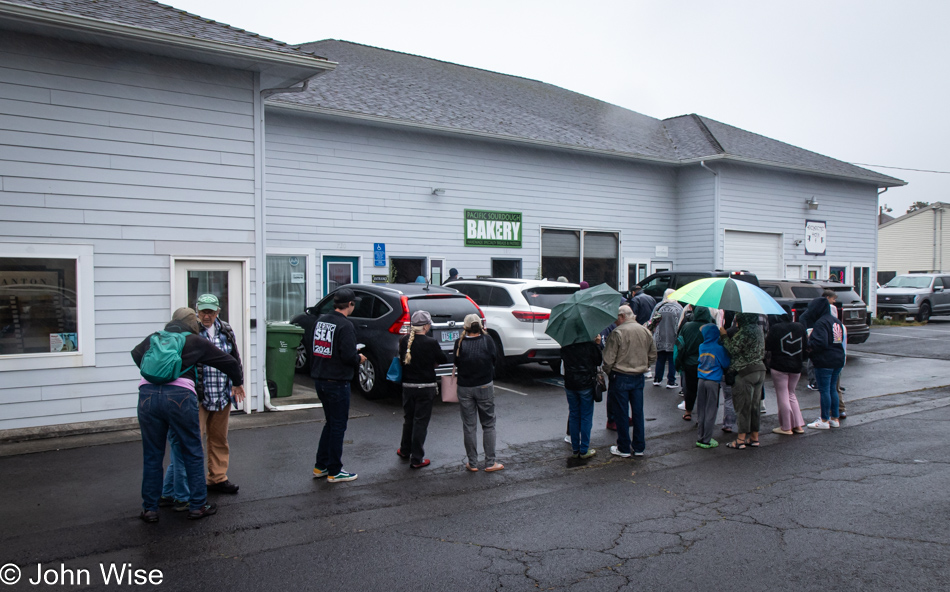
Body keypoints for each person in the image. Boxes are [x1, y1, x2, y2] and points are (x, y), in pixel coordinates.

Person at [131, 307, 244, 522]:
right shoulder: (194, 341)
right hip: (180, 396)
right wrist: (237, 382)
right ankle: (197, 506)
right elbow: (229, 362)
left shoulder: (154, 338)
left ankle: (150, 509)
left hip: (147, 395)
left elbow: (136, 354)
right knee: (192, 450)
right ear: (192, 324)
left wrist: (157, 375)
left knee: (152, 455)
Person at [310, 288, 366, 482]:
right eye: (353, 303)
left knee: (330, 423)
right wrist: (359, 357)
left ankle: (321, 465)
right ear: (350, 304)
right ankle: (335, 470)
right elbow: (348, 356)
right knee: (338, 426)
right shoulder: (346, 325)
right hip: (337, 382)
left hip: (320, 378)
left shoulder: (321, 321)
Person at [193, 294, 244, 495]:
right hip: (199, 394)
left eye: (211, 312)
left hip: (222, 391)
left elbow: (234, 358)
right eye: (203, 311)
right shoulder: (192, 331)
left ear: (217, 312)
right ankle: (194, 483)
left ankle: (218, 478)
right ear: (197, 311)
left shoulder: (226, 330)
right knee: (195, 439)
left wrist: (237, 383)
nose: (207, 316)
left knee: (219, 438)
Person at [603, 305, 657, 458]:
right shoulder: (645, 331)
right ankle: (639, 447)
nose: (614, 322)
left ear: (621, 316)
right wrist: (644, 366)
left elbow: (608, 359)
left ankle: (624, 447)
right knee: (638, 412)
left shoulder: (618, 332)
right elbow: (653, 355)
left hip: (620, 375)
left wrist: (609, 371)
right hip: (638, 376)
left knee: (621, 413)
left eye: (616, 318)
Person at [397, 310, 447, 469]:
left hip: (408, 386)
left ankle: (405, 450)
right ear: (426, 326)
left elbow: (403, 360)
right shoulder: (431, 342)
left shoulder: (404, 341)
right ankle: (417, 458)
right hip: (426, 387)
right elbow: (442, 359)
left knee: (409, 418)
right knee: (421, 422)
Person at [454, 314, 503, 471]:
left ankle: (473, 463)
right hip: (484, 385)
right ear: (480, 326)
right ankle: (490, 462)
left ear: (465, 327)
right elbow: (494, 359)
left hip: (464, 387)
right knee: (488, 424)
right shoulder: (487, 340)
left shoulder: (459, 343)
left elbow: (456, 362)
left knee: (469, 426)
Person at [722, 313, 766, 449]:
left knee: (743, 407)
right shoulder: (759, 330)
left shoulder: (744, 332)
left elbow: (732, 349)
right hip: (760, 370)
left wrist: (724, 335)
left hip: (745, 372)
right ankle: (754, 437)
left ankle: (740, 439)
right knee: (755, 406)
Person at [561, 333, 603, 460]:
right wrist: (597, 345)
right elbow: (598, 361)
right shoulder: (589, 344)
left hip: (570, 383)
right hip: (586, 383)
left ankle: (575, 448)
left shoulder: (566, 344)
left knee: (574, 414)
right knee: (586, 416)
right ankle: (584, 449)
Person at [806, 297, 846, 430]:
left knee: (824, 390)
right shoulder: (836, 321)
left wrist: (809, 343)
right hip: (838, 358)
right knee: (832, 388)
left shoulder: (821, 323)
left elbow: (821, 342)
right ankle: (834, 418)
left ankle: (824, 419)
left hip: (825, 360)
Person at [765, 314, 807, 435]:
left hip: (780, 366)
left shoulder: (776, 328)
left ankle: (786, 426)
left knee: (782, 394)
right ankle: (798, 425)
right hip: (796, 366)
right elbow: (805, 346)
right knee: (791, 394)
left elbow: (768, 345)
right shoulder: (800, 327)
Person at [674, 306, 714, 421]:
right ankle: (704, 415)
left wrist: (679, 362)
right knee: (705, 391)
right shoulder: (712, 327)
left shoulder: (687, 326)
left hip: (690, 363)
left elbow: (680, 343)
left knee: (690, 389)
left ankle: (688, 412)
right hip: (708, 363)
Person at [695, 324, 730, 449]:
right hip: (713, 381)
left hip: (701, 380)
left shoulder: (701, 346)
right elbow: (726, 363)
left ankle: (700, 437)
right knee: (711, 410)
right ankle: (707, 439)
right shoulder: (719, 348)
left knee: (701, 410)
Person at [650, 289, 683, 389]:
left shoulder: (659, 306)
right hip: (673, 336)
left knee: (660, 358)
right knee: (672, 359)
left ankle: (657, 379)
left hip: (660, 336)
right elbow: (681, 322)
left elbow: (652, 320)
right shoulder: (678, 307)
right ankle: (671, 381)